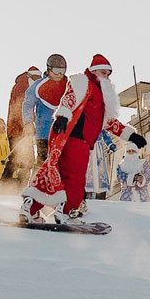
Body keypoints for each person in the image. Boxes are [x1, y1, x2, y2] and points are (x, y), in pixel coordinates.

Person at [49, 56, 116, 221]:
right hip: (77, 139)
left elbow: (107, 121)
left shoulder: (101, 93)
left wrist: (130, 134)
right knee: (76, 181)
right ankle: (65, 212)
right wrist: (63, 115)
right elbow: (69, 97)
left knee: (61, 176)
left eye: (108, 74)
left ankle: (31, 208)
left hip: (79, 141)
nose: (106, 77)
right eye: (103, 72)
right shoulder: (85, 83)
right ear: (94, 71)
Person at [30, 54, 70, 161]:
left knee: (62, 161)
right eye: (56, 71)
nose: (59, 74)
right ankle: (37, 177)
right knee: (43, 160)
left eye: (62, 71)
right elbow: (28, 104)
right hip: (44, 132)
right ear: (48, 69)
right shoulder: (38, 86)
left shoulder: (68, 85)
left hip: (63, 132)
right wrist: (28, 122)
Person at [7, 65, 40, 179]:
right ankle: (7, 183)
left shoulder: (25, 85)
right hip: (19, 129)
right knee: (18, 159)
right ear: (30, 76)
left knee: (26, 160)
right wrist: (31, 121)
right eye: (36, 78)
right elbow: (21, 107)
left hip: (23, 129)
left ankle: (17, 184)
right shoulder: (23, 86)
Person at [115, 132, 150, 201]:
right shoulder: (121, 165)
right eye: (129, 151)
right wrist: (134, 177)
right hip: (126, 196)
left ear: (137, 152)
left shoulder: (143, 163)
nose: (131, 153)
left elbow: (149, 175)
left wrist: (142, 178)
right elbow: (120, 177)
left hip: (142, 196)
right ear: (126, 153)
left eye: (133, 151)